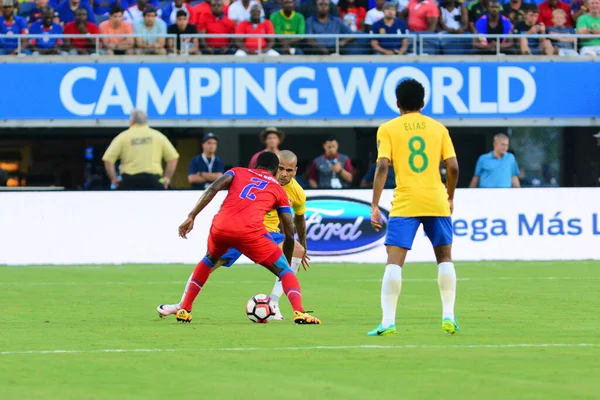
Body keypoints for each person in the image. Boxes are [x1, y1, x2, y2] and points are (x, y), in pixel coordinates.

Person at [171, 151, 321, 325]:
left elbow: (212, 188)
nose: (284, 173)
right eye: (280, 169)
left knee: (208, 261)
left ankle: (184, 309)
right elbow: (289, 230)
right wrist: (285, 264)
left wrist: (191, 216)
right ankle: (299, 312)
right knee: (286, 272)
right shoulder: (277, 189)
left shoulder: (237, 172)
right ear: (274, 169)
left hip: (221, 226)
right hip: (251, 232)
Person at [368, 79, 460, 337]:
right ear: (423, 103)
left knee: (394, 263)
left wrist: (375, 204)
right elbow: (453, 167)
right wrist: (449, 196)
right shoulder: (438, 128)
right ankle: (449, 317)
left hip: (406, 202)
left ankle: (388, 322)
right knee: (444, 258)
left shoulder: (387, 129)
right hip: (436, 200)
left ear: (397, 103)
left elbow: (383, 165)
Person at [102, 109, 180, 190]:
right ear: (146, 121)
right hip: (153, 181)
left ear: (132, 121)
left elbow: (108, 160)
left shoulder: (123, 137)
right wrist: (166, 178)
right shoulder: (158, 136)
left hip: (129, 181)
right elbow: (173, 158)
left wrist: (114, 179)